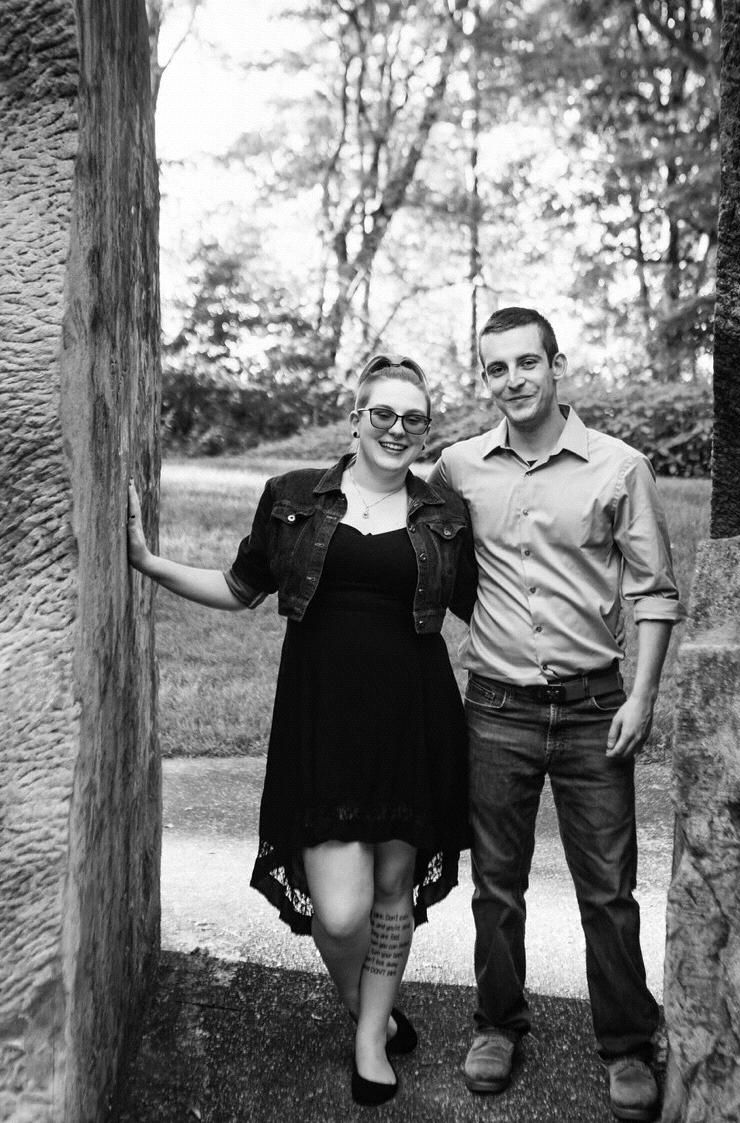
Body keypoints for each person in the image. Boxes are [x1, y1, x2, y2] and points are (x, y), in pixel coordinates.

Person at [127, 354, 476, 1107]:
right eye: (383, 414)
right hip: (322, 719)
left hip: (414, 717)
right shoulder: (291, 497)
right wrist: (148, 562)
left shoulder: (445, 513)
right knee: (341, 912)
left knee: (394, 887)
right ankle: (365, 1004)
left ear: (426, 432)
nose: (397, 429)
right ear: (356, 419)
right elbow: (239, 588)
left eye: (414, 419)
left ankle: (370, 1036)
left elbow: (489, 608)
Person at [429, 307, 685, 1123]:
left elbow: (655, 592)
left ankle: (627, 1042)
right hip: (495, 705)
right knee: (496, 884)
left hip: (594, 707)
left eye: (527, 362)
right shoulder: (458, 468)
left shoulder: (620, 466)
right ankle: (497, 1024)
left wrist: (642, 695)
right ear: (486, 378)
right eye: (496, 368)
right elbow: (420, 543)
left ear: (556, 364)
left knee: (608, 888)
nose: (513, 380)